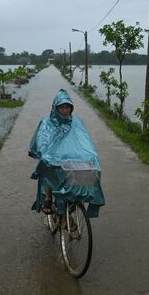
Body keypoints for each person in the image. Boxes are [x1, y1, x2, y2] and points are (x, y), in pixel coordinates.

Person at [28, 89, 105, 218]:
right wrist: (45, 154)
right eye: (62, 107)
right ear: (55, 108)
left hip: (73, 159)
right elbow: (42, 140)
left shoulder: (77, 121)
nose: (65, 110)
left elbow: (85, 140)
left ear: (71, 108)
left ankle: (74, 199)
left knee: (89, 170)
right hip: (54, 159)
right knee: (48, 169)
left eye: (67, 107)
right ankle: (48, 198)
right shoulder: (47, 122)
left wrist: (91, 155)